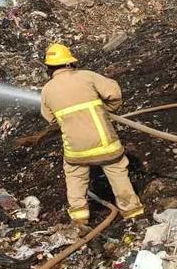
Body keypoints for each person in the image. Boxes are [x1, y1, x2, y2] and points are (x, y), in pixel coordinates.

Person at [40, 43, 144, 225]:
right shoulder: (87, 76)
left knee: (74, 177)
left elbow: (50, 118)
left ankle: (80, 220)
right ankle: (133, 214)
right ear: (70, 62)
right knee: (118, 172)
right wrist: (105, 110)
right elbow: (114, 92)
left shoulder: (47, 90)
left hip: (76, 151)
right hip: (105, 144)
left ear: (49, 67)